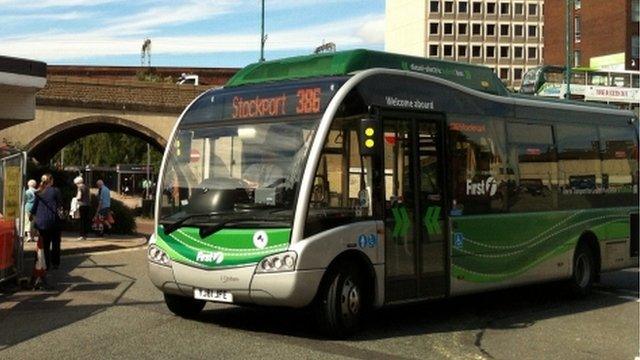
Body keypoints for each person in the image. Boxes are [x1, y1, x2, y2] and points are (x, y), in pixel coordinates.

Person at [30, 174, 62, 270]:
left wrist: (31, 215)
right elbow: (60, 205)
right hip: (54, 221)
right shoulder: (56, 191)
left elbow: (35, 206)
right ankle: (55, 263)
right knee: (56, 243)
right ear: (51, 181)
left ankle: (46, 264)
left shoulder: (39, 191)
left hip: (42, 222)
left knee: (45, 244)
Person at [74, 176, 91, 241]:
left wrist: (75, 198)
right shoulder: (86, 187)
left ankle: (81, 235)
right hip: (87, 205)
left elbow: (79, 196)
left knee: (81, 221)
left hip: (82, 205)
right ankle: (85, 235)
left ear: (77, 182)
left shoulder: (80, 188)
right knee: (86, 220)